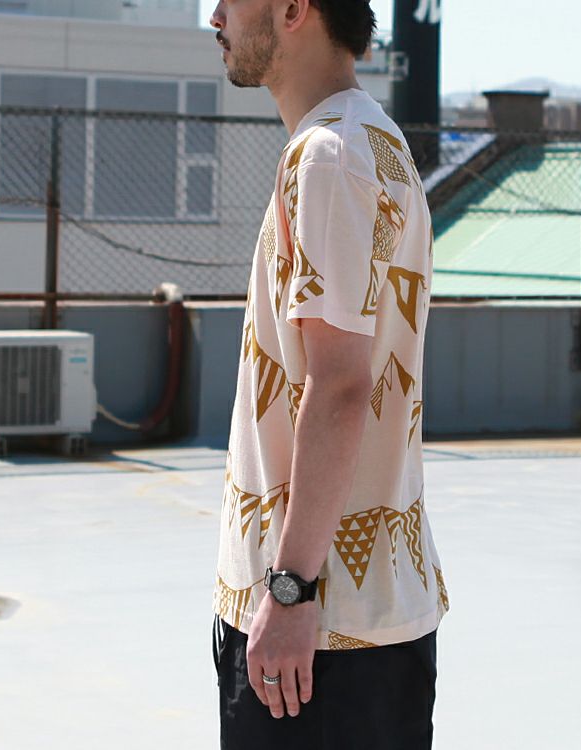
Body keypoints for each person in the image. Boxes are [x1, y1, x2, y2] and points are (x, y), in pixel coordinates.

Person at [208, 2, 450, 748]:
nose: (214, 15)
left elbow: (341, 384)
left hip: (318, 632)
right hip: (350, 619)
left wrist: (288, 590)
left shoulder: (330, 158)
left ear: (292, 9)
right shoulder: (369, 140)